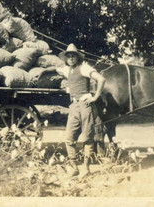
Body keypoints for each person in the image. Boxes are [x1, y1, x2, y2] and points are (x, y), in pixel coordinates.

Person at [34, 43, 106, 177]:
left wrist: (95, 97)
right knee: (69, 138)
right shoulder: (67, 70)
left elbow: (101, 79)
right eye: (69, 56)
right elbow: (55, 69)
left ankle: (85, 167)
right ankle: (74, 167)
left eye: (73, 56)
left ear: (78, 57)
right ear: (66, 59)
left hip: (85, 106)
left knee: (87, 138)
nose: (71, 58)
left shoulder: (84, 68)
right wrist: (43, 72)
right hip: (74, 107)